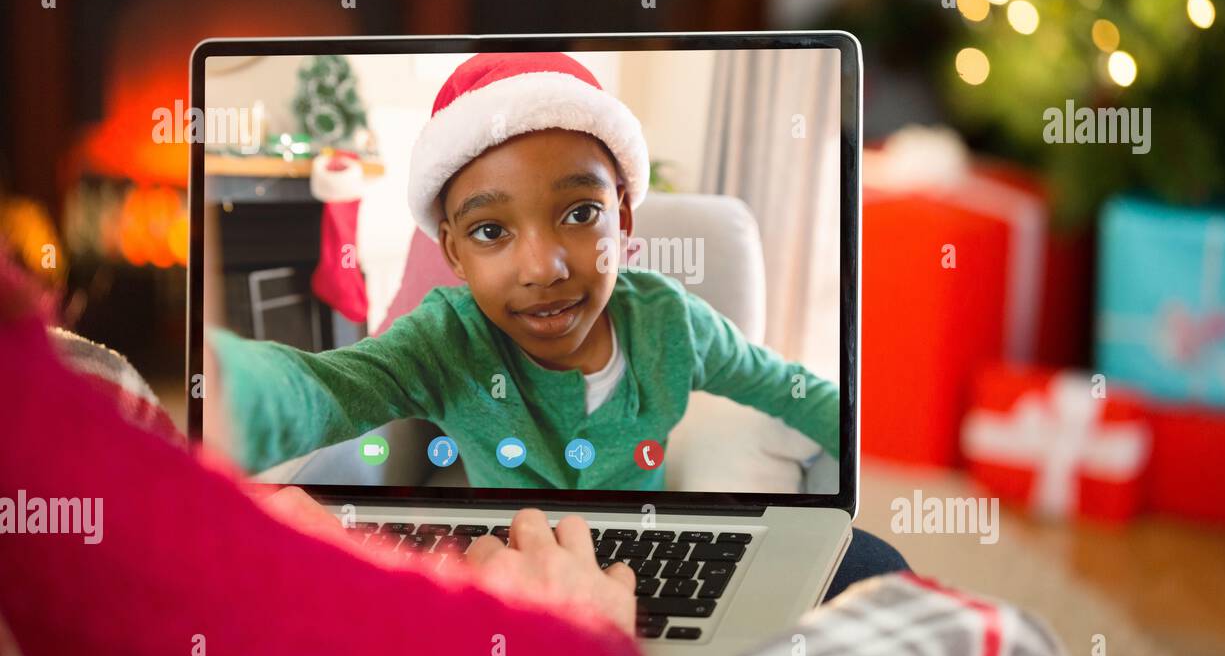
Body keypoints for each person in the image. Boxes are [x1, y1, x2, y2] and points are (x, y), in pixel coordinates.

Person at [210, 52, 839, 491]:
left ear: (623, 217)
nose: (543, 267)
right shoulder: (445, 340)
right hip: (512, 588)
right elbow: (324, 390)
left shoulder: (673, 323)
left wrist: (849, 448)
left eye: (581, 212)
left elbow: (789, 388)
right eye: (491, 232)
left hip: (651, 561)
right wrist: (224, 388)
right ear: (454, 253)